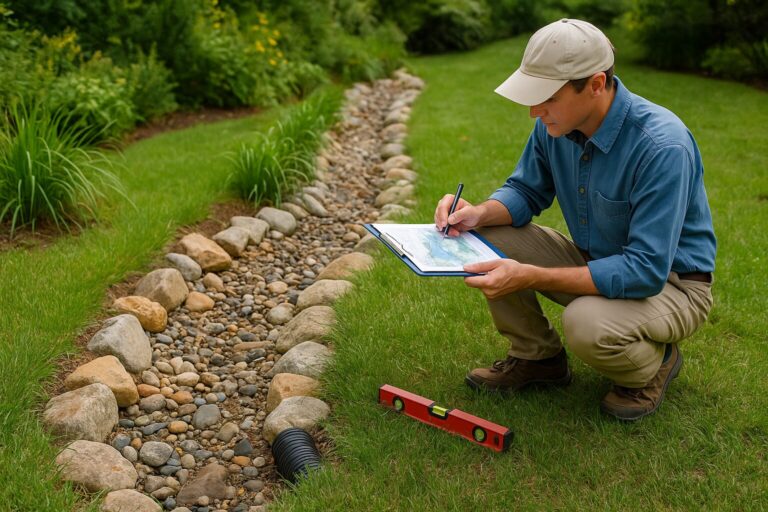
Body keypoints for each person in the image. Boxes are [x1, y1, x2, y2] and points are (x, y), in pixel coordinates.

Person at [434, 18, 716, 421]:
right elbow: (525, 191)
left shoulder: (662, 146)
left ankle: (655, 365)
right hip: (597, 262)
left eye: (546, 96)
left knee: (585, 323)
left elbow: (645, 270)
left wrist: (530, 275)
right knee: (488, 232)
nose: (534, 110)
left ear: (596, 84)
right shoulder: (555, 125)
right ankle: (539, 360)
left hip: (672, 286)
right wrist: (476, 213)